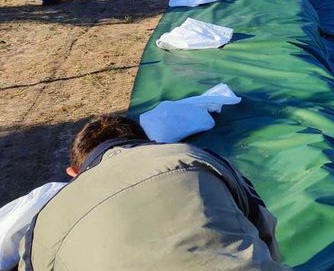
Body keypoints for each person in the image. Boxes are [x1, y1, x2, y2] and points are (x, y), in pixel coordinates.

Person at [19, 115, 291, 270]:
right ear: (147, 144)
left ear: (73, 173)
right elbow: (261, 223)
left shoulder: (47, 218)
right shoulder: (192, 156)